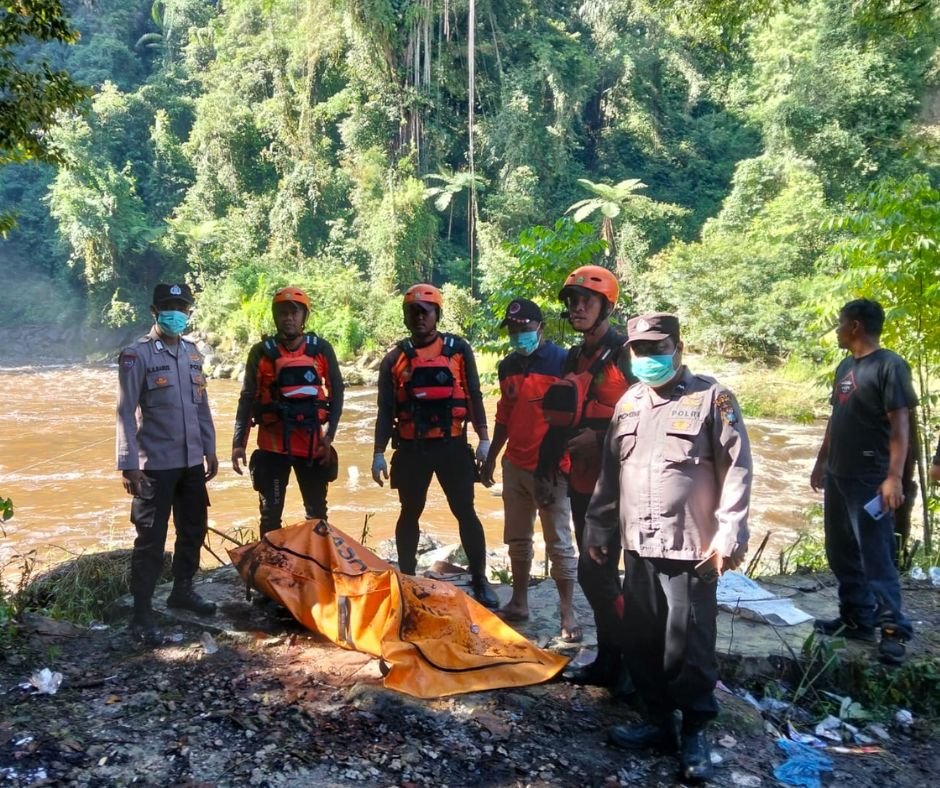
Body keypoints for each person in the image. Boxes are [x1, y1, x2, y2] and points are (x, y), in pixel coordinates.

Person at [585, 312, 751, 782]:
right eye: (640, 350)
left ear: (677, 347)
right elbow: (611, 474)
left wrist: (730, 529)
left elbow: (737, 467)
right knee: (642, 637)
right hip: (638, 542)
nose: (648, 357)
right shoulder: (629, 404)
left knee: (690, 645)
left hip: (690, 546)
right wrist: (600, 531)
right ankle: (657, 722)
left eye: (658, 348)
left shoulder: (711, 398)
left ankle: (694, 729)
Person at [371, 283, 499, 608]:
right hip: (412, 450)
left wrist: (484, 439)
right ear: (405, 317)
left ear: (436, 315)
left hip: (452, 446)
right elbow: (386, 411)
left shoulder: (458, 350)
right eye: (412, 313)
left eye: (424, 312)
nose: (419, 318)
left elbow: (473, 394)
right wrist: (377, 453)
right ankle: (408, 579)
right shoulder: (394, 359)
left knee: (465, 511)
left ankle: (480, 579)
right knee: (409, 512)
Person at [536, 265, 632, 687]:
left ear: (606, 306)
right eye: (572, 302)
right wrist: (544, 468)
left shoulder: (627, 352)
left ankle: (628, 661)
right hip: (581, 482)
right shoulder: (575, 356)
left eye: (585, 301)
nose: (576, 308)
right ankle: (611, 660)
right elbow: (560, 419)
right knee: (598, 574)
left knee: (599, 573)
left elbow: (650, 414)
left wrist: (600, 436)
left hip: (619, 484)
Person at [810, 298, 916, 665]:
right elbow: (835, 417)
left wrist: (894, 477)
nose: (837, 330)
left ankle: (892, 631)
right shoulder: (845, 366)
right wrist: (821, 460)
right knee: (840, 550)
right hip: (839, 474)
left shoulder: (890, 366)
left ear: (855, 326)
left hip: (871, 478)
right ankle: (856, 617)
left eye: (840, 323)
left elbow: (900, 424)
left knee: (876, 554)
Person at [116, 282, 219, 647]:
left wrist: (210, 447)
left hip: (191, 461)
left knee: (193, 528)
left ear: (188, 311)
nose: (176, 312)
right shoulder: (136, 355)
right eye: (169, 306)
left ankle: (183, 590)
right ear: (154, 311)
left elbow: (200, 405)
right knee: (151, 540)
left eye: (182, 306)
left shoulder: (192, 354)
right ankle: (141, 612)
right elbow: (126, 412)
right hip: (154, 465)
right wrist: (129, 465)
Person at [480, 298, 580, 641]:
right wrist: (492, 456)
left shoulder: (564, 361)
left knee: (560, 543)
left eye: (524, 327)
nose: (519, 334)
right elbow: (504, 416)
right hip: (516, 464)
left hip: (552, 467)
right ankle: (519, 602)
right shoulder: (508, 365)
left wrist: (563, 464)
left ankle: (568, 612)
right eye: (513, 329)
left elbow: (572, 418)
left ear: (541, 327)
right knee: (517, 538)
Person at [232, 287, 344, 537]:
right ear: (276, 317)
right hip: (273, 447)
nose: (288, 318)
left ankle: (316, 567)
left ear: (304, 317)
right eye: (283, 313)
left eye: (294, 313)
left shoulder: (321, 349)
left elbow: (337, 393)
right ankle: (272, 569)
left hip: (313, 445)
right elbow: (247, 397)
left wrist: (329, 438)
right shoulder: (260, 353)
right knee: (270, 513)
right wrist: (239, 442)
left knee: (317, 514)